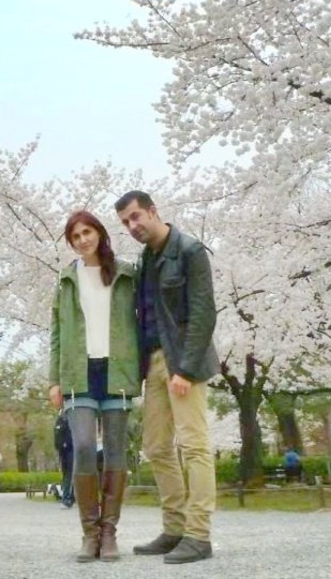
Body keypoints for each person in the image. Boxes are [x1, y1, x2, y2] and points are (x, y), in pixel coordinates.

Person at [116, 190, 218, 565]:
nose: (132, 226)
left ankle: (199, 534)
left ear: (153, 211)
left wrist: (185, 370)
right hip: (154, 362)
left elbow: (204, 314)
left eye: (136, 216)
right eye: (126, 222)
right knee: (157, 446)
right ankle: (174, 528)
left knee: (193, 445)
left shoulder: (189, 251)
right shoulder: (146, 259)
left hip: (183, 362)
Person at [49, 210, 140, 562]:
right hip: (79, 375)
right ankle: (89, 533)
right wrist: (54, 380)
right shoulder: (66, 280)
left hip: (116, 373)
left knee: (116, 451)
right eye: (75, 237)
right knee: (84, 446)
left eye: (87, 232)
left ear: (99, 233)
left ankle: (109, 533)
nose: (83, 240)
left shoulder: (126, 275)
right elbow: (56, 333)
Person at [53, 409, 75, 508]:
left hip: (63, 451)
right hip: (70, 450)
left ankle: (68, 497)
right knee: (70, 475)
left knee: (67, 474)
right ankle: (67, 497)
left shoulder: (59, 421)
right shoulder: (68, 421)